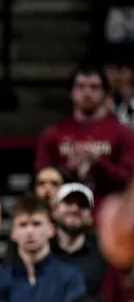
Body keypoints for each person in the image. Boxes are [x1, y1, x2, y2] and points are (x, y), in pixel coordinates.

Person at [35, 65, 134, 207]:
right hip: (64, 212)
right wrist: (67, 169)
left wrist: (98, 163)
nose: (87, 93)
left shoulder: (123, 133)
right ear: (71, 92)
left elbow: (130, 182)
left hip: (109, 215)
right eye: (80, 86)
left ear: (105, 93)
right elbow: (41, 181)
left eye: (94, 87)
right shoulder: (52, 134)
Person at [51, 183, 108, 294]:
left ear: (91, 216)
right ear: (55, 211)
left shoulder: (104, 255)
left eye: (82, 204)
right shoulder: (41, 252)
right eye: (68, 202)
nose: (75, 208)